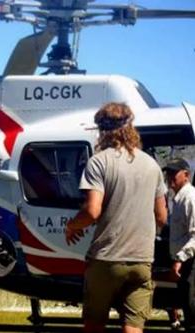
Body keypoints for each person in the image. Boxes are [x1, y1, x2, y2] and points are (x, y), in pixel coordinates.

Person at [64, 102, 168, 333]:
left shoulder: (99, 162)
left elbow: (92, 211)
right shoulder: (152, 165)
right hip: (142, 259)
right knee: (133, 327)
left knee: (94, 325)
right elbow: (161, 216)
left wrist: (72, 225)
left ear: (102, 131)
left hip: (107, 258)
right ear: (131, 128)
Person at [163, 157, 195, 330]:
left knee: (191, 303)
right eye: (168, 173)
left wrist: (179, 259)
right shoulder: (177, 199)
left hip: (190, 260)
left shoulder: (190, 198)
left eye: (174, 173)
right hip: (184, 260)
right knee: (185, 302)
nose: (170, 177)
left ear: (186, 175)